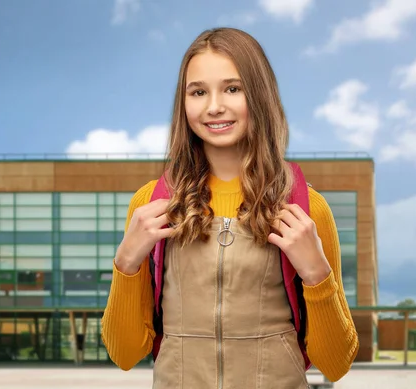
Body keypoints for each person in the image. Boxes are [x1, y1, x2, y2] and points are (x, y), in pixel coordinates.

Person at [101, 27, 359, 388]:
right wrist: (126, 262)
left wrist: (317, 273)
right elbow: (124, 354)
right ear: (183, 102)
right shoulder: (151, 204)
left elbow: (336, 364)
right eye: (198, 92)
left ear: (259, 95)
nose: (213, 106)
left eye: (232, 89)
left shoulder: (306, 207)